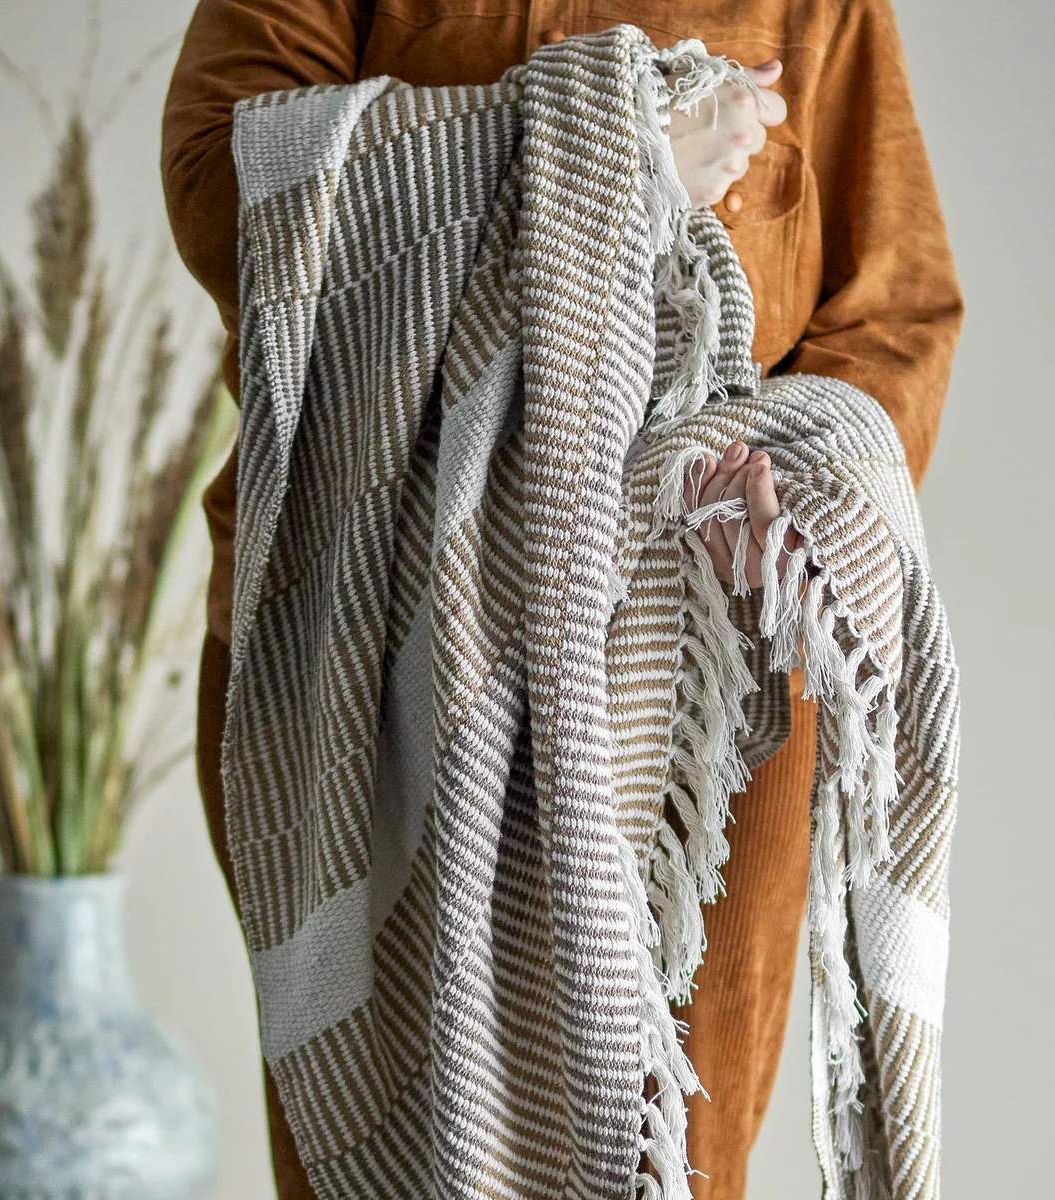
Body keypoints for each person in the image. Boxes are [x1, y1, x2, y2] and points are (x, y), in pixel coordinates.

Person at [162, 4, 962, 1197]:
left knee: (676, 1161)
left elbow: (893, 308)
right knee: (378, 1153)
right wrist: (619, 145)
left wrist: (788, 509)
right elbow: (223, 176)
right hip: (364, 647)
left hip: (711, 688)